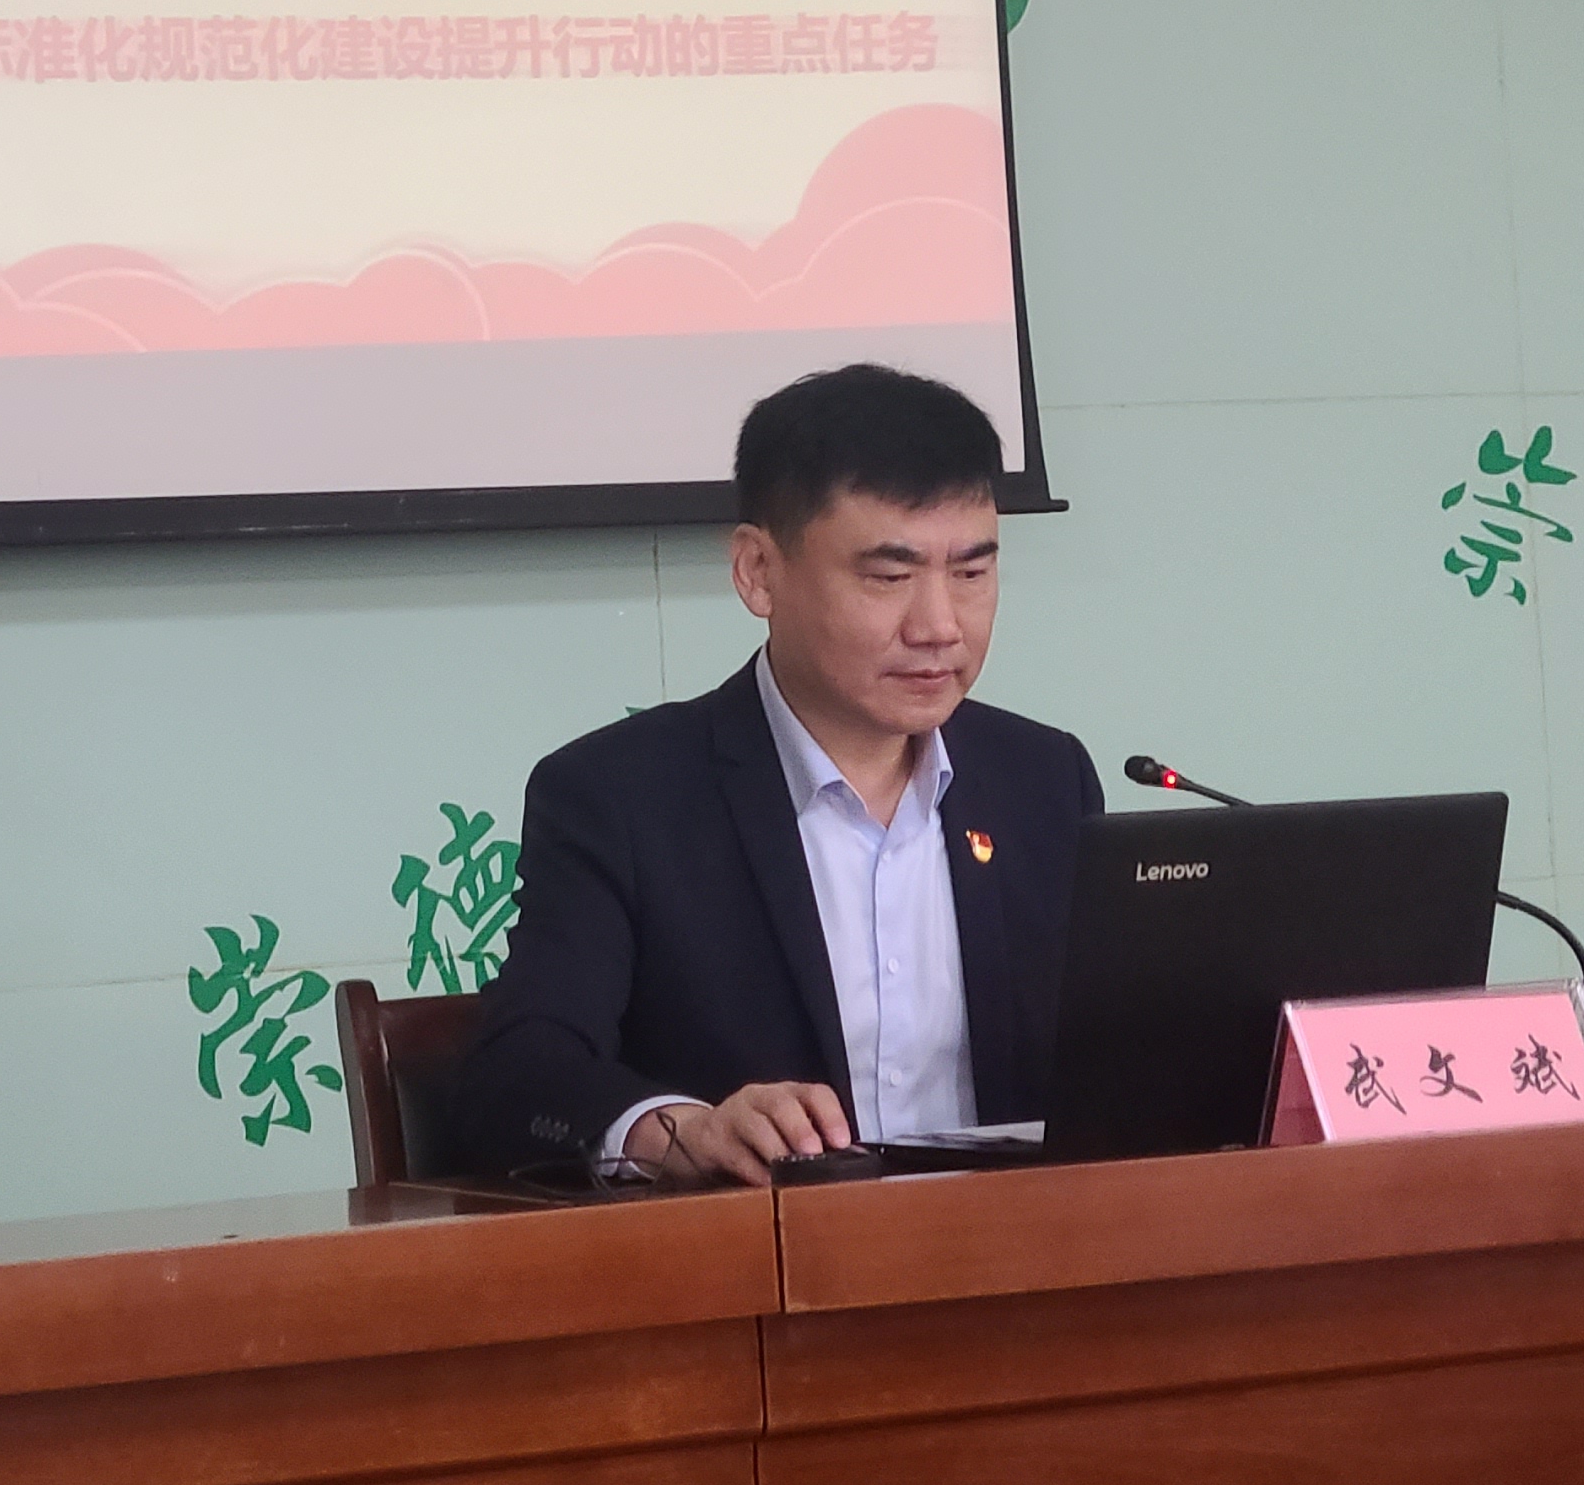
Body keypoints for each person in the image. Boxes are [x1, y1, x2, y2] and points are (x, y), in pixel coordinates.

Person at [449, 363, 1100, 1186]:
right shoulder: (622, 797)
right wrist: (680, 1129)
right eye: (889, 577)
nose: (940, 625)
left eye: (971, 572)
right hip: (759, 1251)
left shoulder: (1043, 780)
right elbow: (519, 1069)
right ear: (758, 571)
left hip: (1016, 1248)